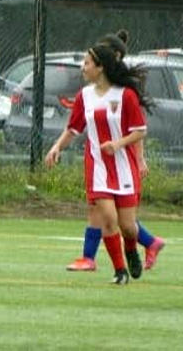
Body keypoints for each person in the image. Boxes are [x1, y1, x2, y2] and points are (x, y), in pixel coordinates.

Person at [45, 39, 154, 285]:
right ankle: (120, 271)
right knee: (108, 219)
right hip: (98, 168)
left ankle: (131, 250)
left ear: (100, 67)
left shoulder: (125, 95)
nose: (82, 68)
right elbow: (73, 129)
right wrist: (56, 147)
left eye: (86, 63)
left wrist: (117, 144)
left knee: (128, 227)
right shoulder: (84, 96)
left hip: (124, 168)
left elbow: (140, 131)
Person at [64, 30, 165, 272]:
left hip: (120, 161)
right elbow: (77, 126)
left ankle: (144, 244)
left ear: (114, 57)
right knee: (100, 210)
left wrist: (140, 158)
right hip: (99, 158)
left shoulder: (123, 92)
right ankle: (91, 258)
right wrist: (58, 147)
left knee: (122, 220)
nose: (87, 64)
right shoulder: (92, 92)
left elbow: (135, 129)